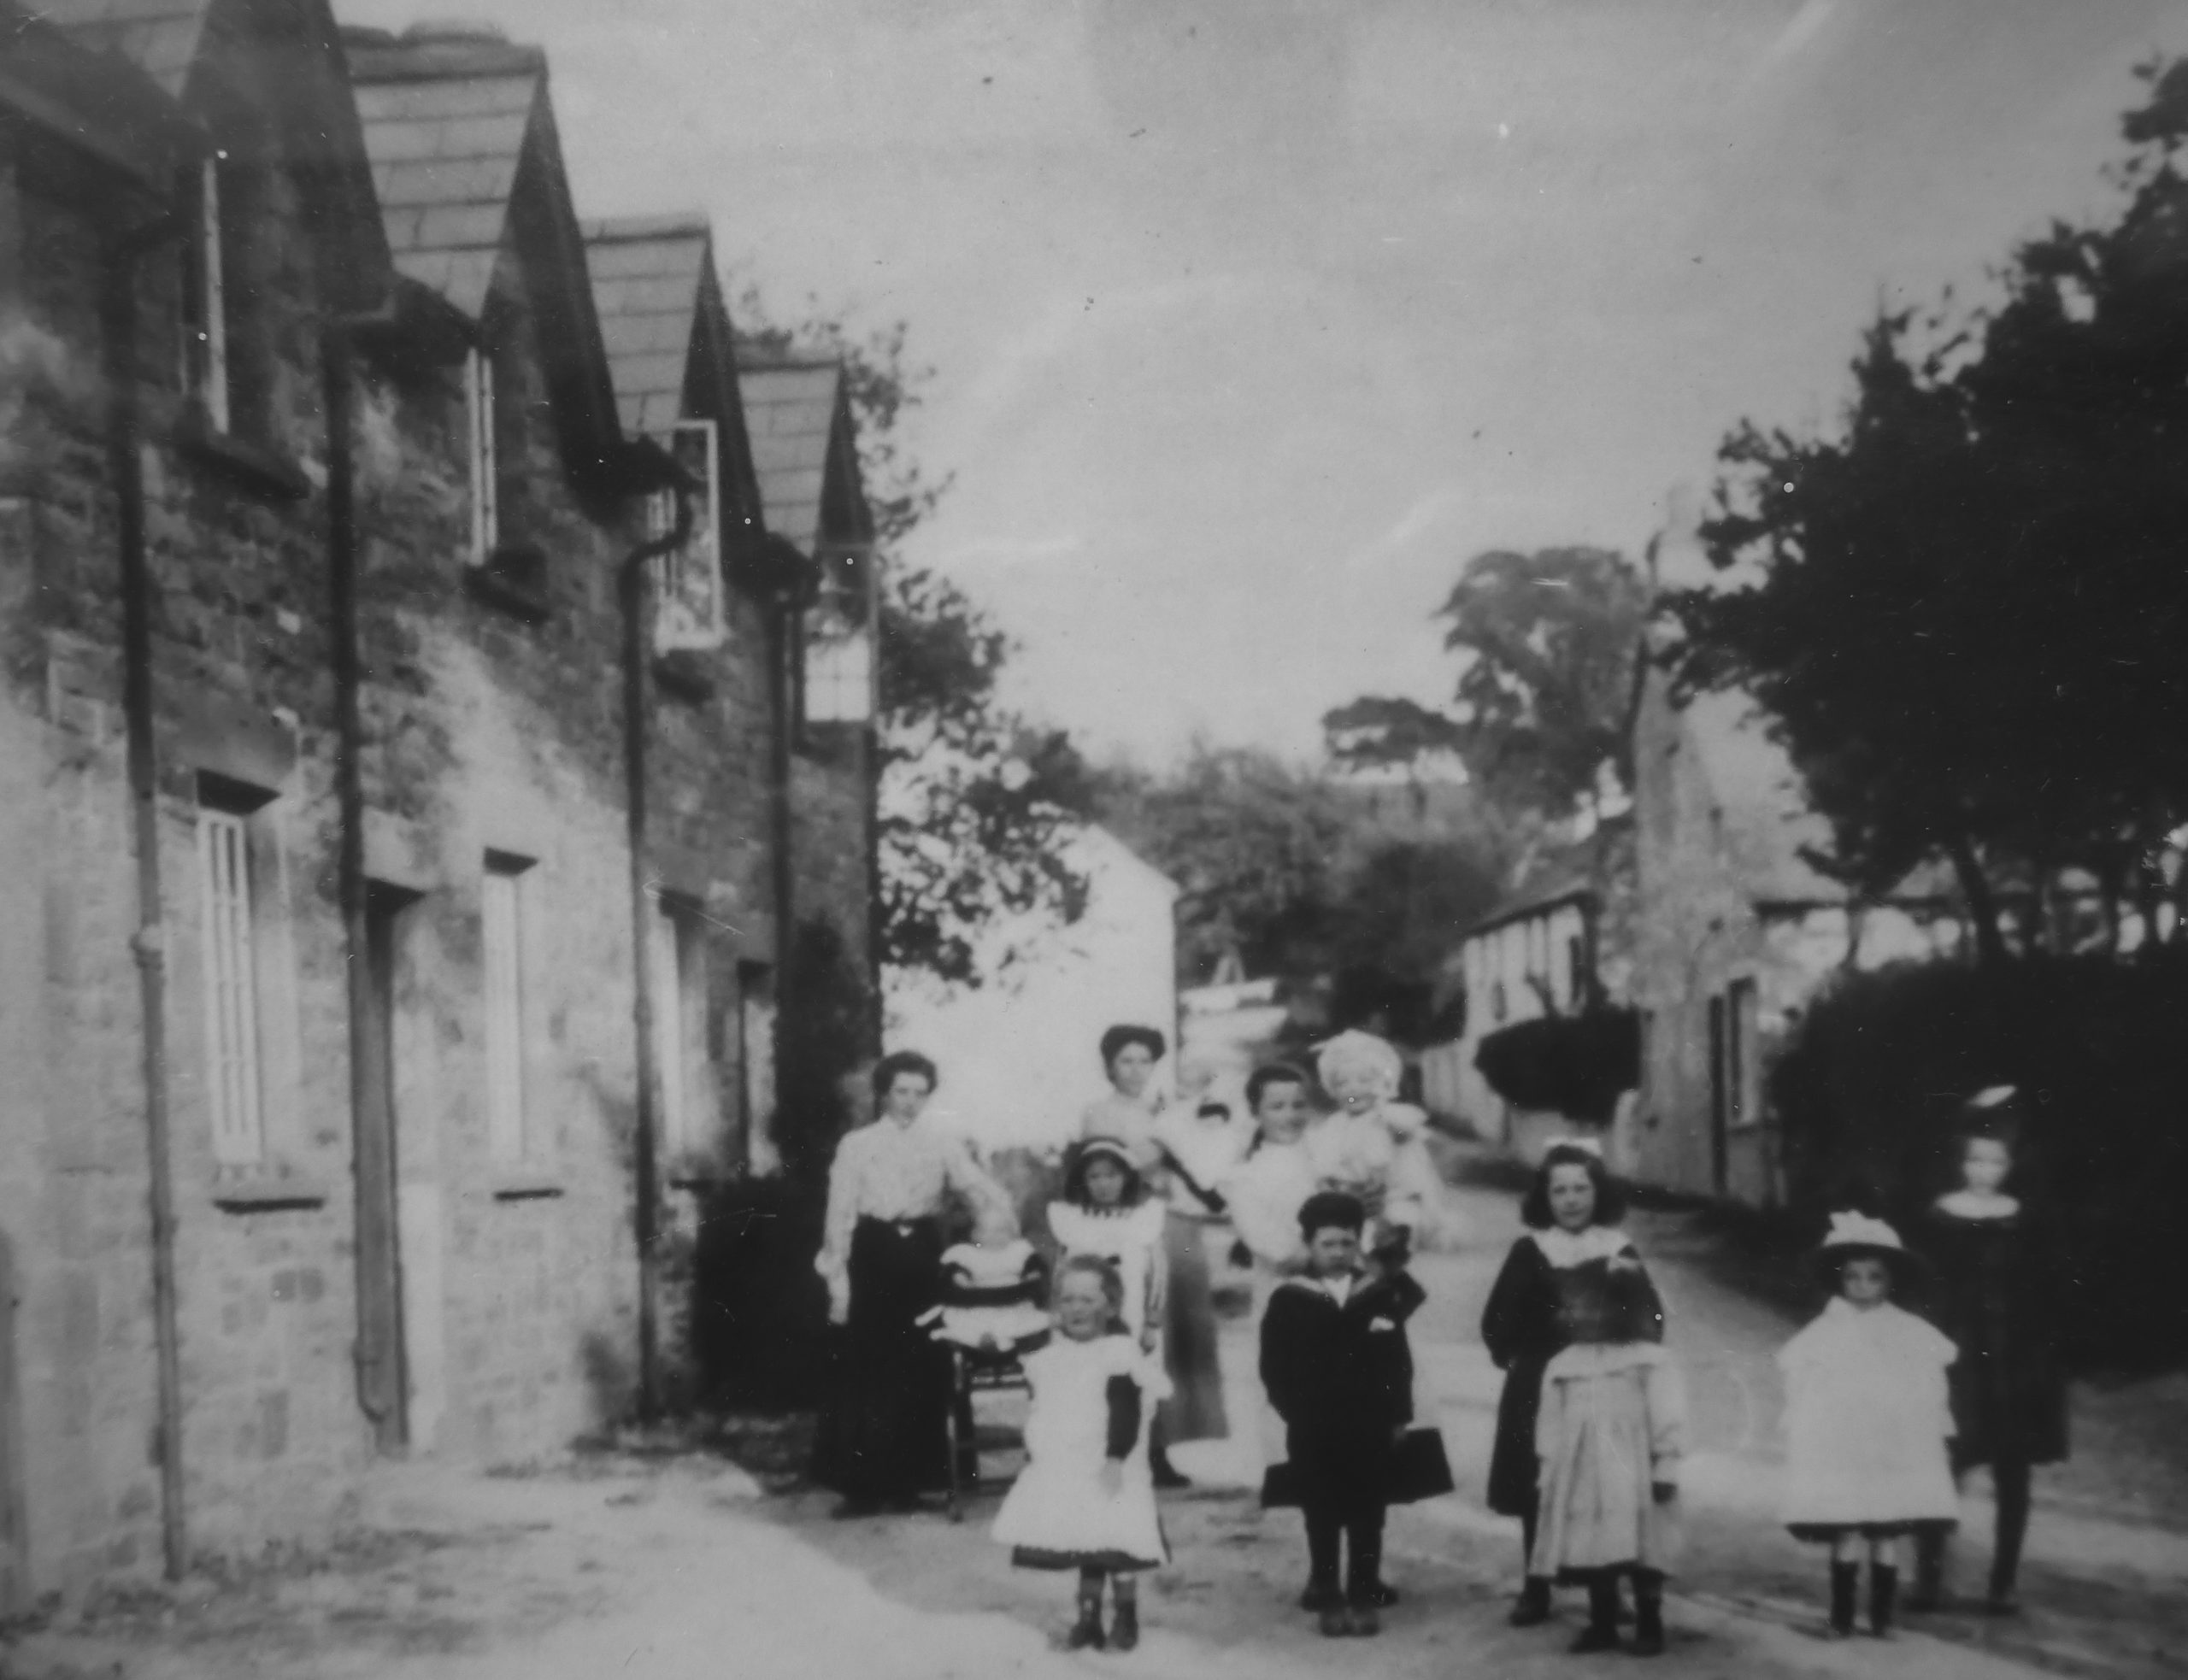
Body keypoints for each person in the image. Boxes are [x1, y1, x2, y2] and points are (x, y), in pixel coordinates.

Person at [811, 1051, 1015, 1516]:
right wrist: (837, 1280)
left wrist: (1005, 1222)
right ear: (884, 1093)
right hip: (872, 1253)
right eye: (901, 1091)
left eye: (919, 1093)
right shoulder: (857, 1144)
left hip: (923, 1256)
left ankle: (916, 1479)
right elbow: (840, 1212)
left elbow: (976, 1187)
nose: (909, 1102)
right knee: (868, 1365)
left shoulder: (942, 1142)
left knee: (921, 1361)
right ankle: (863, 1487)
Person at [1481, 1140, 1663, 1628]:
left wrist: (1628, 1356)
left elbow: (1649, 1315)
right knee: (1538, 1486)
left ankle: (1610, 1582)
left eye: (1581, 1188)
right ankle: (1536, 1585)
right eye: (1559, 1190)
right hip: (1543, 1380)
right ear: (1545, 1197)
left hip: (1604, 1380)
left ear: (1598, 1192)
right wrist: (1521, 1360)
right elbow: (1499, 1319)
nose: (1571, 1199)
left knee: (1606, 1485)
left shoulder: (1617, 1248)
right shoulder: (1531, 1249)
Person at [1909, 1089, 2069, 1616]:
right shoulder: (1940, 1216)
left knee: (2012, 1470)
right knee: (1944, 1461)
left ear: (2010, 1164)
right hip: (1958, 1356)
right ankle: (1930, 1576)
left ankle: (2003, 1582)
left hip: (2014, 1360)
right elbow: (1923, 1286)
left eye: (1995, 1160)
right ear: (1960, 1161)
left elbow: (2047, 1290)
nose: (1984, 1171)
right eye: (1975, 1159)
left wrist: (2043, 1357)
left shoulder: (2026, 1219)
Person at [1779, 1212, 1959, 1640]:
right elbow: (1801, 1380)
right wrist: (1802, 1423)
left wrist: (1936, 1425)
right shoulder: (1824, 1330)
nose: (1862, 1287)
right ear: (1838, 1280)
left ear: (1890, 1280)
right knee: (1847, 1525)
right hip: (1843, 1443)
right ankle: (1841, 1615)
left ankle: (1881, 1617)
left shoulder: (1909, 1330)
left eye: (1874, 1278)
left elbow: (1930, 1383)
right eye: (1853, 1277)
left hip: (1890, 1444)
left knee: (1886, 1531)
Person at [1258, 1191, 1426, 1638]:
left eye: (1347, 1244)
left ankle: (1363, 1588)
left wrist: (1397, 1416)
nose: (1337, 1253)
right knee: (1321, 1507)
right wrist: (1294, 1410)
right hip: (1313, 1425)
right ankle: (1328, 1589)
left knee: (1369, 1507)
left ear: (1358, 1244)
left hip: (1368, 1423)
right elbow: (1273, 1366)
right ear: (1309, 1245)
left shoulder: (1377, 1295)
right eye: (1327, 1244)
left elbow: (1397, 1361)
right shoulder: (1290, 1299)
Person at [991, 1256, 1171, 1653]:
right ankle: (1088, 1616)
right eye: (1068, 1300)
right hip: (1071, 1463)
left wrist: (1114, 1459)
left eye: (1088, 1300)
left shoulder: (1119, 1353)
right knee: (1088, 1538)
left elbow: (1125, 1412)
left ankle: (1126, 1615)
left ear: (1110, 1306)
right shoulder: (1052, 1356)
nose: (1076, 1309)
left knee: (1120, 1544)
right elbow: (1046, 1408)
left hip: (1112, 1463)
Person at [1079, 1024, 1226, 1484]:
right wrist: (1163, 1142)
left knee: (1180, 1329)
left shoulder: (1169, 1109)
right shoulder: (1099, 1113)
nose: (1136, 1070)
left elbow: (1205, 1158)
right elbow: (1112, 1166)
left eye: (1145, 1060)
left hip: (1176, 1221)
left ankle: (1167, 1444)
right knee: (1137, 1326)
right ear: (1109, 1065)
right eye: (1126, 1060)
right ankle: (1132, 1442)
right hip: (1128, 1225)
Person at [1530, 1243, 1685, 1655]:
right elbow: (1550, 1420)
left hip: (1633, 1469)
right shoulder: (1564, 1364)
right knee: (1592, 1541)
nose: (1584, 1316)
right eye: (1576, 1308)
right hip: (1581, 1470)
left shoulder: (1649, 1360)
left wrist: (1666, 1464)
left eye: (1597, 1307)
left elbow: (1667, 1414)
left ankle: (1650, 1623)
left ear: (1624, 1309)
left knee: (1643, 1544)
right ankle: (1602, 1623)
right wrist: (1547, 1467)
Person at [1305, 1030, 1462, 1267]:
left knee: (1400, 1218)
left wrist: (1400, 1134)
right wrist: (1334, 1188)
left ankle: (1396, 1235)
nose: (1353, 1090)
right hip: (1351, 1193)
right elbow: (1324, 1163)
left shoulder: (1386, 1118)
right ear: (1333, 1090)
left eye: (1364, 1081)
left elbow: (1394, 1155)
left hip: (1391, 1192)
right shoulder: (1335, 1125)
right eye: (1342, 1083)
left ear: (1382, 1084)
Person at [1047, 1138, 1169, 1356]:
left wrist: (1152, 1323)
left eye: (1112, 1175)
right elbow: (1060, 1273)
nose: (1103, 1184)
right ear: (1083, 1181)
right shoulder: (1073, 1221)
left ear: (1126, 1177)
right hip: (1084, 1315)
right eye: (1094, 1177)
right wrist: (1058, 1313)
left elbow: (1158, 1275)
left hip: (1132, 1311)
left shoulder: (1143, 1218)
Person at [924, 1206, 1053, 1354]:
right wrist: (960, 1276)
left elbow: (1033, 1263)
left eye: (1001, 1231)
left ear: (1012, 1233)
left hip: (1012, 1305)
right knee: (971, 1326)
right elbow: (955, 1267)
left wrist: (1032, 1272)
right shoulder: (968, 1253)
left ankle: (1001, 1341)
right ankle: (969, 1337)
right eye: (987, 1231)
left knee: (1017, 1326)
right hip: (978, 1304)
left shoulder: (1017, 1250)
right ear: (975, 1234)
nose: (994, 1236)